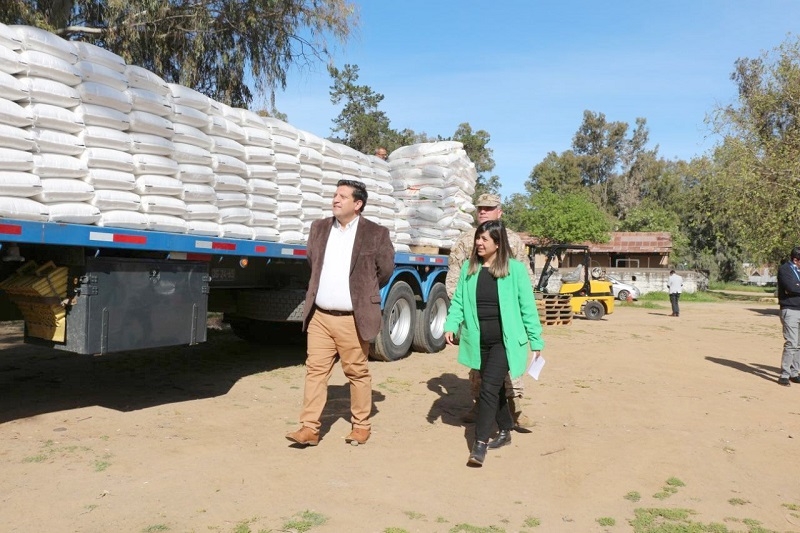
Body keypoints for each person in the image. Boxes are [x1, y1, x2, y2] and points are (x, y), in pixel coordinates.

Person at [286, 179, 395, 446]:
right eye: (335, 195)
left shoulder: (376, 233)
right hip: (320, 317)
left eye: (342, 196)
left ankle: (361, 425)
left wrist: (360, 293)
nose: (335, 200)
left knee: (356, 373)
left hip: (352, 319)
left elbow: (385, 270)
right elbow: (313, 262)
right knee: (315, 372)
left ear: (357, 204)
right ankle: (309, 428)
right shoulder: (320, 228)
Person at [444, 220, 544, 467]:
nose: (478, 242)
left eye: (484, 239)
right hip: (479, 340)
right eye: (478, 237)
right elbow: (458, 301)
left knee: (487, 388)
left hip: (505, 341)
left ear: (498, 244)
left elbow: (527, 308)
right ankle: (506, 429)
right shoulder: (470, 268)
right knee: (496, 387)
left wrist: (535, 339)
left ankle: (479, 444)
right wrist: (450, 324)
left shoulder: (516, 270)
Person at [446, 193, 536, 427]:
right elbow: (455, 279)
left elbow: (524, 279)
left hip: (506, 318)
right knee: (479, 369)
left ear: (500, 211)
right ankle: (480, 407)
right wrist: (460, 317)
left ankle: (514, 410)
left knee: (510, 369)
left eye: (489, 208)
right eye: (480, 208)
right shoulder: (466, 241)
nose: (483, 211)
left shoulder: (513, 241)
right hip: (475, 315)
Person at [777, 247, 800, 386]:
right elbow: (790, 287)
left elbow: (796, 287)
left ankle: (794, 372)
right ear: (795, 259)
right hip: (790, 309)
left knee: (799, 344)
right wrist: (796, 287)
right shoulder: (785, 269)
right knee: (791, 343)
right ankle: (784, 374)